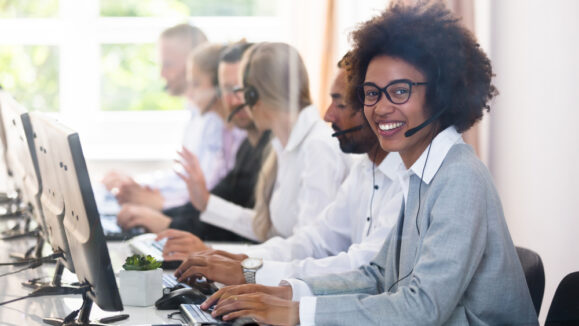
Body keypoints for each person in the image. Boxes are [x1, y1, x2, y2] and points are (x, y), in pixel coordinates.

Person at [199, 2, 538, 325]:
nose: (380, 107)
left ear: (441, 94)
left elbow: (423, 308)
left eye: (400, 91)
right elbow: (378, 275)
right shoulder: (420, 174)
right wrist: (288, 293)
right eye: (372, 93)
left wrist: (301, 313)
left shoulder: (459, 177)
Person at [168, 54, 404, 288]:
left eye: (340, 104)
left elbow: (358, 266)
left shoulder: (319, 146)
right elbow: (312, 240)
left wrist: (249, 270)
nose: (328, 115)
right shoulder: (361, 168)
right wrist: (236, 260)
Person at [164, 42, 350, 244]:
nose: (238, 99)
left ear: (254, 95)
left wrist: (223, 258)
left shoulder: (317, 147)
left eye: (241, 90)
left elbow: (308, 249)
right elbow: (270, 231)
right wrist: (207, 204)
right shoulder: (283, 147)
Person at [115, 42, 270, 241]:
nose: (232, 99)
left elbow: (241, 221)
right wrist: (165, 218)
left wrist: (165, 219)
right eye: (227, 90)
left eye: (240, 89)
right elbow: (215, 200)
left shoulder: (252, 141)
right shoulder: (248, 144)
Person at [102, 24, 209, 210]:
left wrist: (154, 201)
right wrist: (132, 183)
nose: (162, 74)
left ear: (194, 65)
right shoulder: (194, 112)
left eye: (168, 64)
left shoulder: (214, 121)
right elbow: (180, 179)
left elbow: (203, 194)